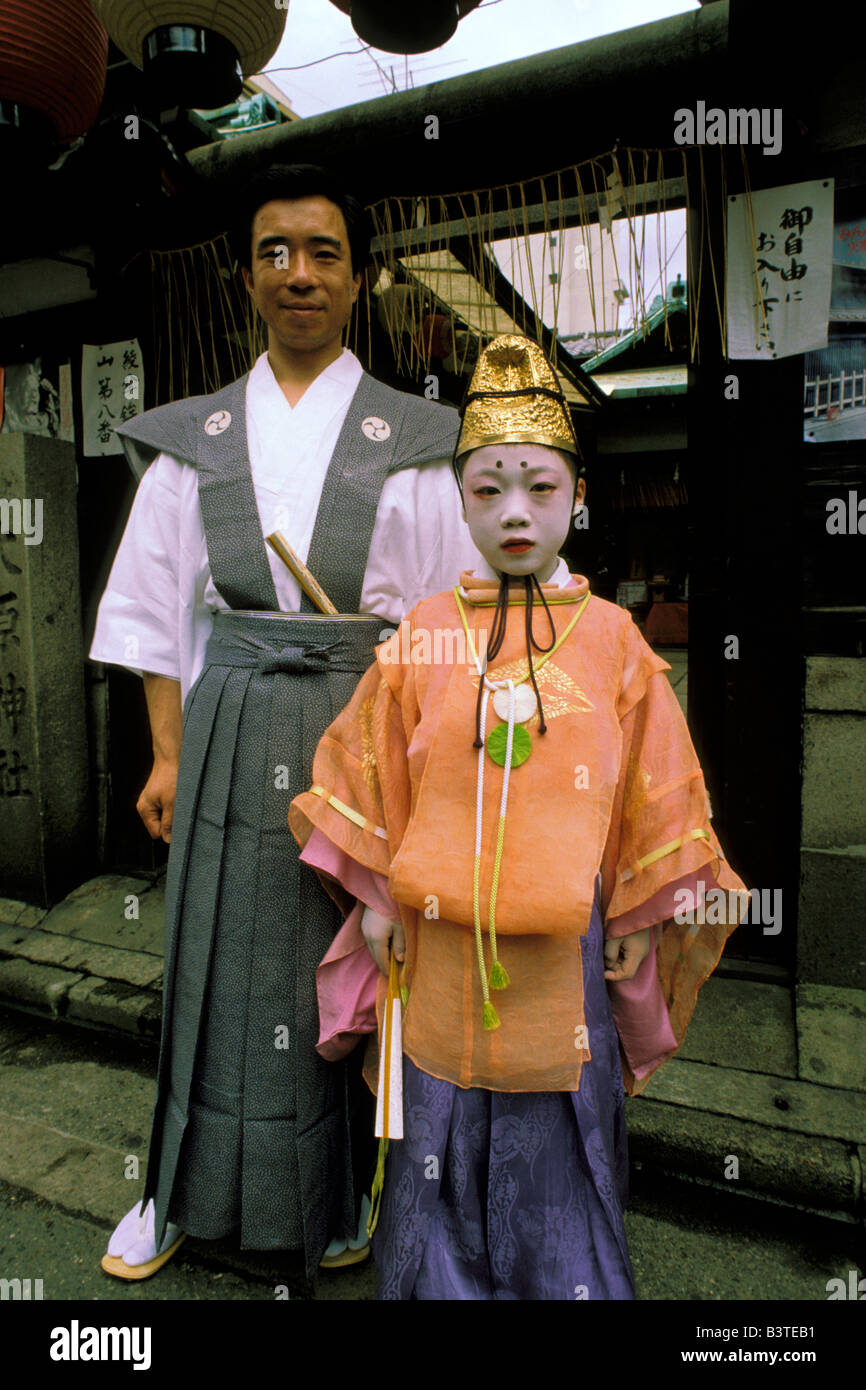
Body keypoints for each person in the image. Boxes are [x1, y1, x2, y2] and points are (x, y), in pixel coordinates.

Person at [289, 333, 748, 1300]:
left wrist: (633, 918)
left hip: (562, 955)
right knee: (438, 1131)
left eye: (540, 487)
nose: (514, 512)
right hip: (435, 942)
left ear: (578, 497)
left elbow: (650, 790)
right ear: (458, 499)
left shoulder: (614, 639)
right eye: (489, 487)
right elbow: (376, 774)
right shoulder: (421, 631)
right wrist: (374, 897)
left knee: (556, 1138)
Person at [89, 162, 480, 1281]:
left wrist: (432, 775)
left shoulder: (415, 437)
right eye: (273, 252)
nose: (296, 273)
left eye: (320, 251)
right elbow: (155, 610)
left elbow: (450, 626)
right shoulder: (194, 439)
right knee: (210, 957)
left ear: (358, 276)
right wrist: (165, 752)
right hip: (226, 727)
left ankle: (344, 1186)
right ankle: (174, 1190)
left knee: (354, 963)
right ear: (247, 276)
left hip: (365, 735)